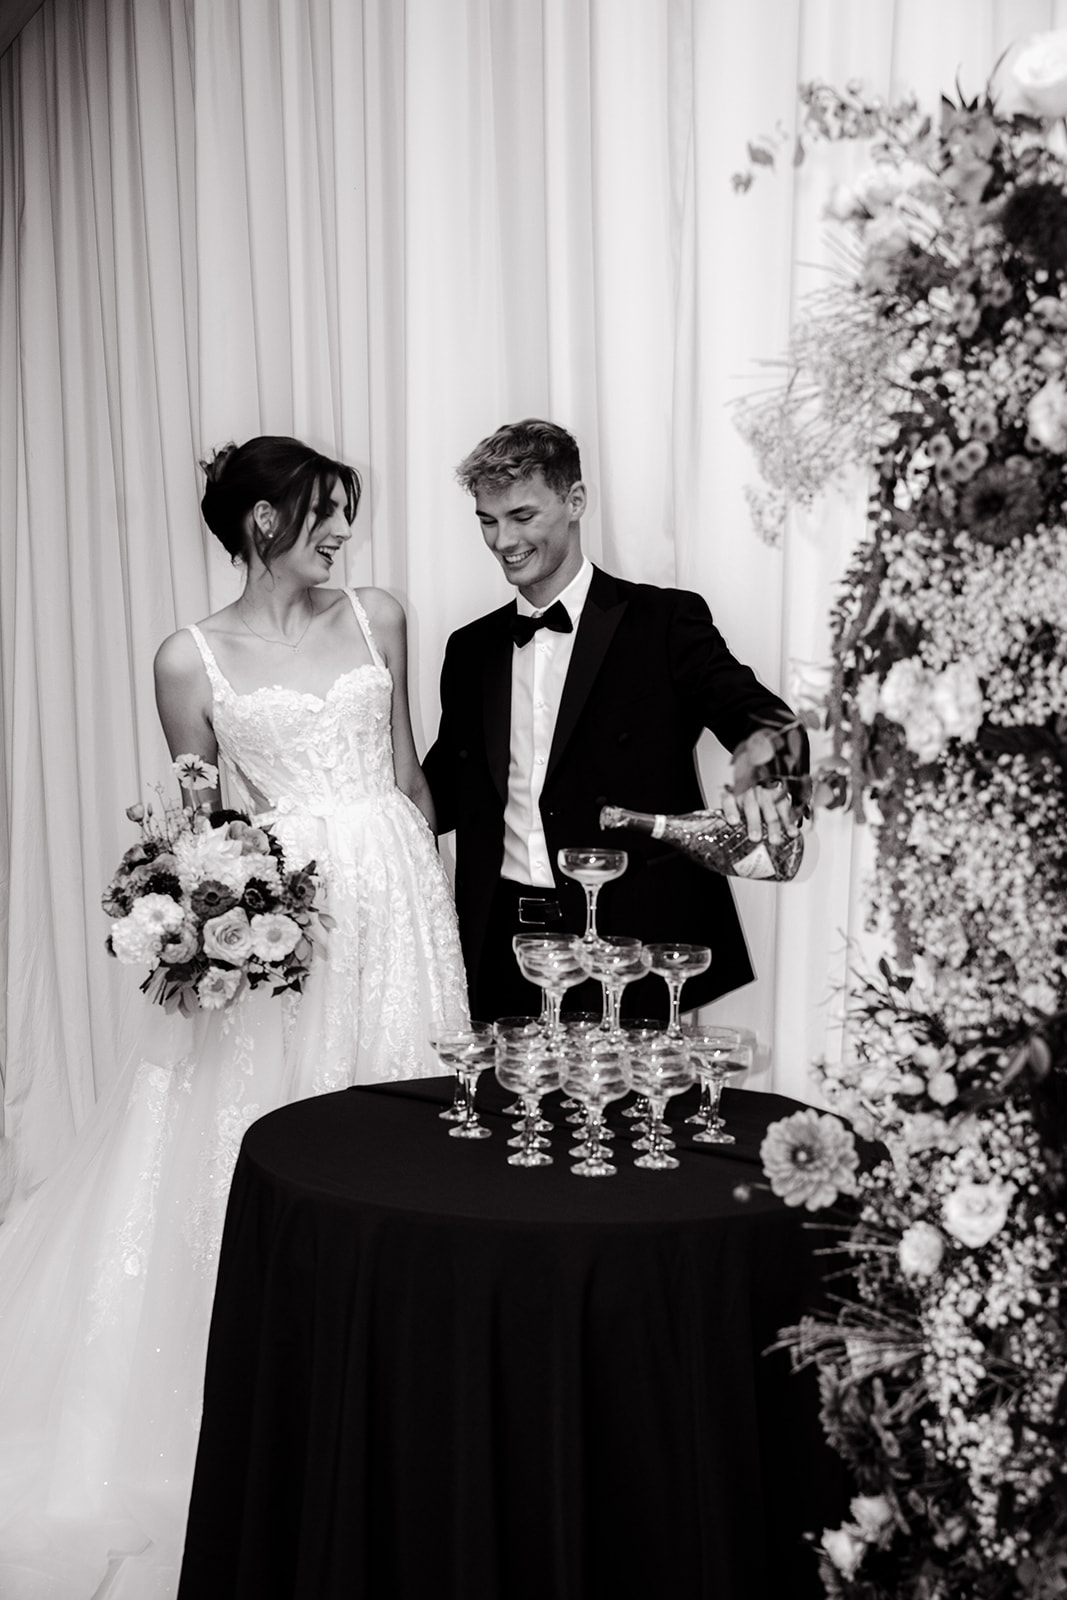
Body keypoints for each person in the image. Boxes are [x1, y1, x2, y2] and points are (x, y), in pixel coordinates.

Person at [0, 436, 468, 1599]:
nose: (342, 536)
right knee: (286, 1130)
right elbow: (196, 823)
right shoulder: (187, 656)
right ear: (261, 523)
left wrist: (440, 902)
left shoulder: (381, 617)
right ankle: (289, 1375)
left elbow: (407, 772)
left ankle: (413, 1369)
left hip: (399, 898)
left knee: (407, 1120)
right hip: (295, 917)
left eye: (346, 517)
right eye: (324, 515)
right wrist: (204, 914)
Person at [423, 417, 802, 1022]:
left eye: (522, 516)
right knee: (513, 1119)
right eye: (487, 522)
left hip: (636, 950)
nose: (502, 541)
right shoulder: (469, 650)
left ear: (575, 501)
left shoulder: (664, 622)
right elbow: (443, 788)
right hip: (503, 954)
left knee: (643, 1117)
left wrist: (762, 768)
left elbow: (765, 721)